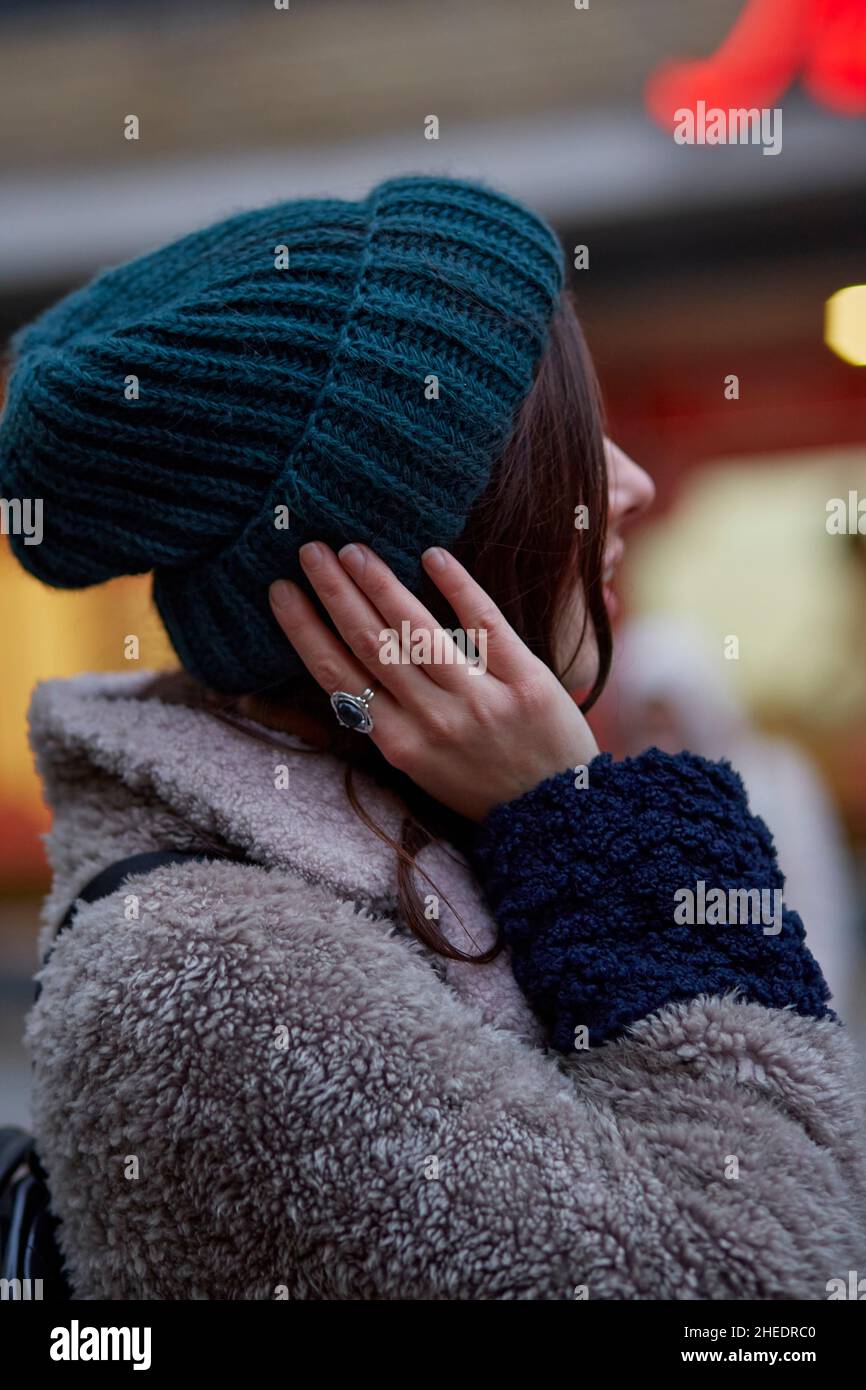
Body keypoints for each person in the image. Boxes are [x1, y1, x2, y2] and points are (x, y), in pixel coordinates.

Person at [2, 176, 865, 1300]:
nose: (634, 484)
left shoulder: (389, 842)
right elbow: (761, 1293)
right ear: (396, 574)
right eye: (563, 446)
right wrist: (590, 830)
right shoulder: (209, 976)